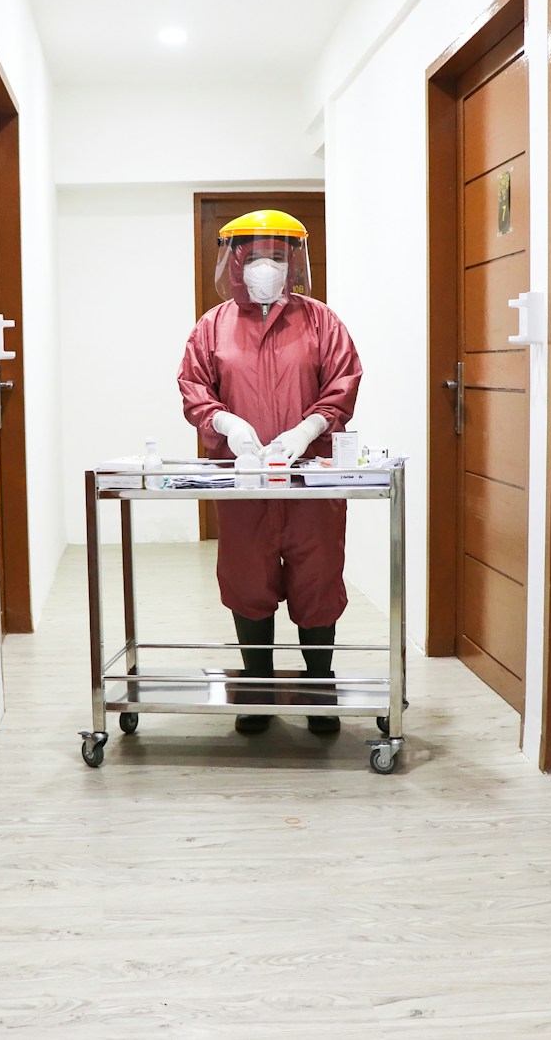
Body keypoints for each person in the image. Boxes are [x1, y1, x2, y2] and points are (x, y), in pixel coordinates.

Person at [177, 209, 362, 735]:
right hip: (244, 481)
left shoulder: (322, 321)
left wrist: (308, 430)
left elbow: (344, 381)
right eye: (255, 256)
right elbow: (194, 388)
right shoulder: (211, 327)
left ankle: (318, 691)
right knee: (247, 578)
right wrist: (225, 423)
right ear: (234, 261)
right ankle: (256, 691)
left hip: (311, 480)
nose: (267, 266)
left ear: (295, 261)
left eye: (278, 257)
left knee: (318, 577)